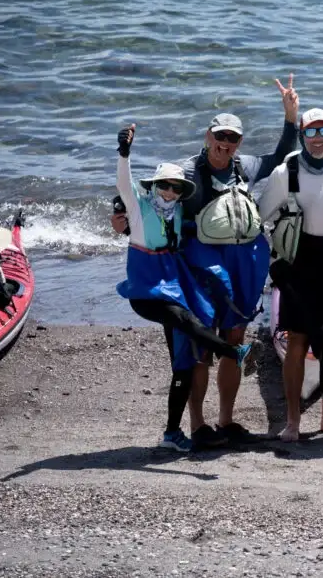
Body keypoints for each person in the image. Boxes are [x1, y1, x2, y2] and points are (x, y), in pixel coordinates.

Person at [111, 76, 299, 448]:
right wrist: (120, 220)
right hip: (196, 264)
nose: (225, 144)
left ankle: (226, 420)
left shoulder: (242, 166)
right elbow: (144, 200)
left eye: (232, 138)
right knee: (197, 341)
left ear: (238, 143)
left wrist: (290, 118)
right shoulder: (187, 172)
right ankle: (197, 425)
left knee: (234, 335)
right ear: (207, 136)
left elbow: (279, 158)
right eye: (220, 136)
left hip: (241, 261)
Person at [114, 124, 255, 452]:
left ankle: (172, 433)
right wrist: (124, 153)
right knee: (186, 320)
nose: (169, 192)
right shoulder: (139, 208)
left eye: (176, 187)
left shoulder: (175, 212)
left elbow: (203, 225)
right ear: (154, 185)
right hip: (145, 291)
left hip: (173, 288)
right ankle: (230, 350)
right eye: (163, 185)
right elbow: (123, 184)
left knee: (183, 363)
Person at [258, 107, 323, 442]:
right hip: (301, 262)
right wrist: (275, 258)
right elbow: (260, 214)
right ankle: (292, 422)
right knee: (298, 342)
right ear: (302, 135)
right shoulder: (286, 170)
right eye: (311, 132)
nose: (318, 139)